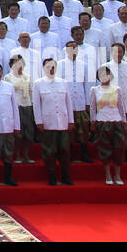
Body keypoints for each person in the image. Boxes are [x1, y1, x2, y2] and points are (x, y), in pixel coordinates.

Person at [33, 57, 75, 186]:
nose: (51, 69)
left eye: (53, 67)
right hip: (48, 123)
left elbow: (68, 102)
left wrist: (71, 120)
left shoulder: (63, 82)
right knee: (49, 151)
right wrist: (39, 121)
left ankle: (65, 176)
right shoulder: (38, 83)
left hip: (62, 122)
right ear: (44, 69)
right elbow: (36, 104)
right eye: (48, 67)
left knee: (65, 150)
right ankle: (51, 176)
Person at [90, 64, 127, 185]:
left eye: (106, 74)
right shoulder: (95, 90)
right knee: (104, 148)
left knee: (119, 148)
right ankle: (108, 175)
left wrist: (124, 122)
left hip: (116, 121)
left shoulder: (117, 89)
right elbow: (92, 107)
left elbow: (121, 107)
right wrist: (93, 121)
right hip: (102, 121)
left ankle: (117, 175)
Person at [5, 53, 35, 163]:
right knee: (18, 133)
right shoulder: (8, 77)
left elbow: (31, 92)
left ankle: (26, 154)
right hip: (15, 107)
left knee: (29, 132)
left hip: (27, 106)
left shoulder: (28, 77)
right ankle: (17, 155)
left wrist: (32, 106)